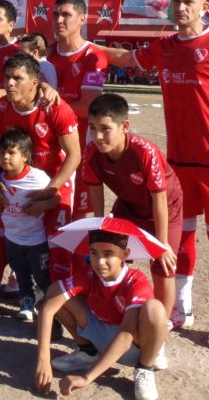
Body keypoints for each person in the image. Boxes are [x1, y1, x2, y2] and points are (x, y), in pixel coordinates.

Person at [99, 0, 209, 348]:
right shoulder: (165, 46)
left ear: (205, 6)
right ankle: (182, 309)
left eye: (188, 1)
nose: (181, 7)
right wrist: (81, 45)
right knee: (182, 237)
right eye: (176, 1)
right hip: (178, 163)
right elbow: (127, 58)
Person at [0, 54, 81, 321]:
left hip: (54, 182)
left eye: (17, 78)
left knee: (56, 248)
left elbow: (74, 155)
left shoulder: (56, 108)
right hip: (14, 179)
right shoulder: (0, 108)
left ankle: (56, 311)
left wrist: (51, 190)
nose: (9, 83)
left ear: (34, 83)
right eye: (7, 77)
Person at [84, 93, 183, 324]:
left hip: (165, 208)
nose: (97, 136)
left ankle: (160, 327)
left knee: (162, 264)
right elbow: (95, 190)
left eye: (105, 129)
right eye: (92, 128)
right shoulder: (91, 151)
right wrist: (100, 228)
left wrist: (161, 243)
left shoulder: (145, 152)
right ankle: (115, 316)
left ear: (124, 127)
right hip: (128, 206)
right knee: (111, 254)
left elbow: (159, 199)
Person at [35, 229, 168, 400]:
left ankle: (145, 368)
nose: (99, 261)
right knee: (55, 292)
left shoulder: (136, 281)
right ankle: (88, 353)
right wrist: (43, 359)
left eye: (108, 254)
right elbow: (48, 308)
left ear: (125, 254)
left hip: (133, 347)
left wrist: (87, 377)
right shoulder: (88, 273)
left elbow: (126, 334)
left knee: (155, 309)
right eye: (94, 253)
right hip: (103, 336)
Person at [0, 128, 56, 322]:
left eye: (11, 153)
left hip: (36, 241)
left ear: (25, 156)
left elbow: (57, 198)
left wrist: (42, 205)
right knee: (22, 276)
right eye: (2, 153)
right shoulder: (0, 180)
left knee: (43, 277)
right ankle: (27, 304)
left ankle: (54, 314)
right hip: (12, 239)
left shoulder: (38, 177)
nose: (5, 157)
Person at [47, 0, 108, 223]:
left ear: (81, 18)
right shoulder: (46, 54)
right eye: (55, 15)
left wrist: (48, 110)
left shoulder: (94, 57)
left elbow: (88, 106)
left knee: (76, 217)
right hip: (45, 144)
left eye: (66, 15)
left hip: (79, 147)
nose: (59, 20)